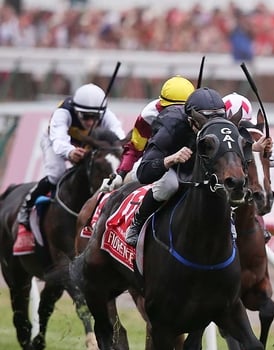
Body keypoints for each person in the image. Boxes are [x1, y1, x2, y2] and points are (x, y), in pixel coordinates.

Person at [16, 83, 126, 239]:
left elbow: (118, 140)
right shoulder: (63, 113)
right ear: (76, 110)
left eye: (94, 117)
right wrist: (70, 152)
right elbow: (59, 140)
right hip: (54, 141)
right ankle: (26, 209)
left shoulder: (107, 115)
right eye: (85, 117)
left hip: (86, 144)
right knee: (56, 174)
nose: (90, 121)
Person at [124, 87, 227, 246]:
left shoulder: (222, 125)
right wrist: (171, 159)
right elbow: (145, 172)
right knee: (169, 185)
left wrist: (254, 147)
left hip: (200, 166)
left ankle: (230, 223)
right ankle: (137, 222)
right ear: (191, 120)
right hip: (173, 166)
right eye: (206, 123)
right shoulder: (170, 126)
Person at [104, 76, 195, 190]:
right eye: (170, 109)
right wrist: (121, 174)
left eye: (180, 110)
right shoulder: (148, 115)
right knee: (168, 186)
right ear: (161, 104)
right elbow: (135, 148)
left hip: (190, 163)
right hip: (155, 162)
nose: (175, 114)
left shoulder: (199, 112)